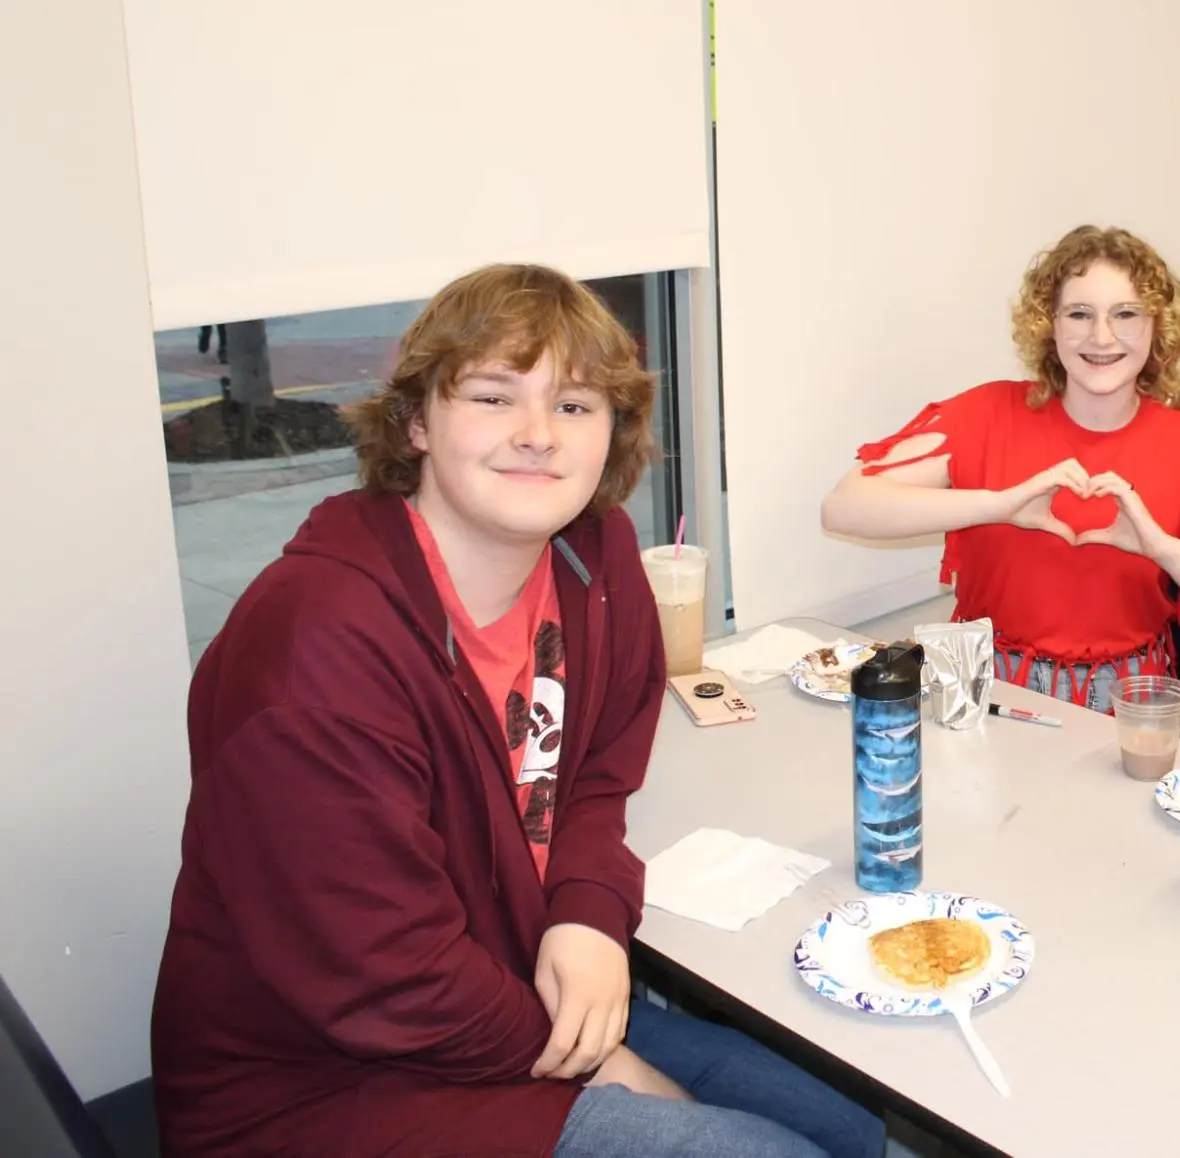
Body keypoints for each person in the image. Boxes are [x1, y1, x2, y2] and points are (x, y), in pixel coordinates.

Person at [152, 264, 883, 1158]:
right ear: (417, 422)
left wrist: (585, 911)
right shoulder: (316, 647)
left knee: (845, 1121)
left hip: (500, 985)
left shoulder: (596, 556)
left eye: (574, 407)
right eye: (495, 398)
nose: (538, 436)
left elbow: (598, 778)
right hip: (323, 1084)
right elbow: (383, 980)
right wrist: (608, 1066)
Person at [821, 225, 1180, 712]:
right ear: (1050, 324)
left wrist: (1165, 550)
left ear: (1157, 325)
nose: (1101, 337)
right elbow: (843, 506)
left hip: (1126, 708)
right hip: (985, 691)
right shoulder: (986, 414)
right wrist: (998, 505)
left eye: (1125, 314)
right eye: (1080, 314)